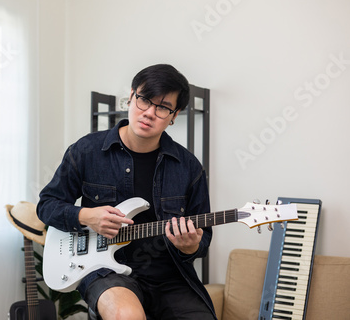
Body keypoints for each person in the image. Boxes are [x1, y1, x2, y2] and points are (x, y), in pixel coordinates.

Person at [37, 64, 216, 320]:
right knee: (126, 315)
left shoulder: (189, 167)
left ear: (174, 116)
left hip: (168, 276)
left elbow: (203, 238)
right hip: (104, 272)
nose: (150, 113)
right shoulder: (86, 151)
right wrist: (86, 217)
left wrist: (191, 247)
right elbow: (46, 206)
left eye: (163, 107)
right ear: (131, 96)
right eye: (144, 100)